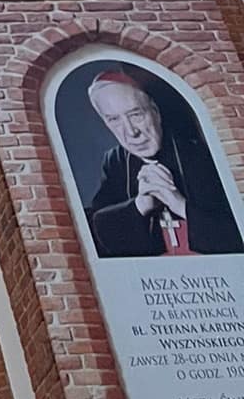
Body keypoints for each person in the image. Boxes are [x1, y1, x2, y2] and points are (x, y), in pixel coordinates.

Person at [82, 68, 243, 258]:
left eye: (136, 115)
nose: (131, 132)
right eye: (114, 120)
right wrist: (141, 204)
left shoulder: (202, 153)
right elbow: (94, 236)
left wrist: (178, 204)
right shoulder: (116, 161)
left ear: (155, 112)